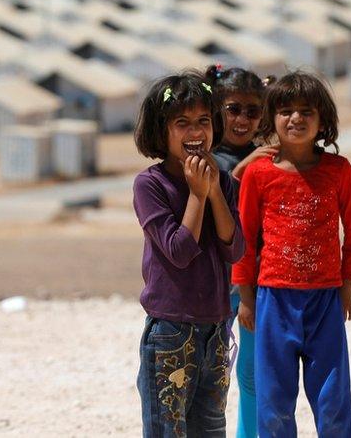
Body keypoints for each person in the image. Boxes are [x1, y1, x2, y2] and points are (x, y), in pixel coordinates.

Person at [232, 72, 351, 437]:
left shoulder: (339, 171)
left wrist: (347, 287)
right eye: (286, 110)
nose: (296, 118)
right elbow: (244, 239)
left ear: (323, 120)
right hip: (273, 299)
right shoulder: (259, 174)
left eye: (306, 111)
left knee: (333, 400)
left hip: (325, 299)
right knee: (274, 403)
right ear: (272, 118)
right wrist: (246, 298)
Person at [133, 72, 246, 437]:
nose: (195, 132)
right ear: (161, 131)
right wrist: (197, 195)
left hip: (215, 327)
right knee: (169, 429)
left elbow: (236, 248)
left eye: (203, 121)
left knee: (211, 428)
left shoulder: (224, 181)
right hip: (170, 330)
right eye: (182, 123)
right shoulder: (150, 185)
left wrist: (213, 191)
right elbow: (180, 251)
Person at [204, 64, 274, 438]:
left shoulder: (265, 159)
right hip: (215, 287)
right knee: (213, 376)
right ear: (217, 109)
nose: (243, 119)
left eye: (252, 110)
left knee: (252, 374)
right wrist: (252, 161)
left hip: (255, 285)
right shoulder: (207, 157)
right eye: (233, 109)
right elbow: (222, 190)